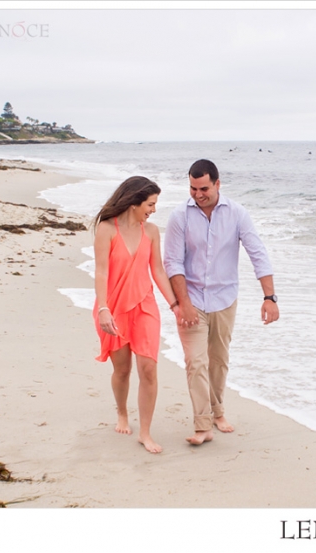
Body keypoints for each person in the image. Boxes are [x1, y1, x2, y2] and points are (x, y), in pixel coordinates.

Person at [164, 159, 279, 445]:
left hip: (225, 299)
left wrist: (269, 297)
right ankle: (203, 426)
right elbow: (173, 263)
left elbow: (257, 254)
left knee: (218, 361)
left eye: (203, 188)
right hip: (191, 299)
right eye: (192, 188)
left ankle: (218, 412)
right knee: (196, 361)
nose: (198, 194)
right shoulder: (180, 216)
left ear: (217, 183)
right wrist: (184, 303)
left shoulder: (238, 214)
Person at [92, 176, 180, 454]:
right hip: (114, 308)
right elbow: (101, 272)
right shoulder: (107, 229)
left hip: (144, 305)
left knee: (149, 368)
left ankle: (145, 432)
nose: (153, 210)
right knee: (122, 369)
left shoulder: (151, 231)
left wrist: (175, 305)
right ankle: (121, 412)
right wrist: (104, 308)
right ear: (134, 202)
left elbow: (158, 271)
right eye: (151, 204)